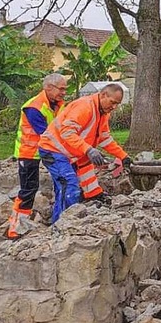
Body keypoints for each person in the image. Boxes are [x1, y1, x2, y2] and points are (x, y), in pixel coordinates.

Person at [38, 83, 132, 223]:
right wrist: (88, 150)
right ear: (103, 95)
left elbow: (104, 139)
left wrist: (123, 156)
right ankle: (62, 225)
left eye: (117, 104)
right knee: (69, 185)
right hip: (53, 149)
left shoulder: (102, 113)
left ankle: (58, 222)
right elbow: (67, 132)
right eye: (113, 102)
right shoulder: (85, 106)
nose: (114, 107)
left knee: (65, 187)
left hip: (70, 153)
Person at [7, 73, 67, 239]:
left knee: (60, 182)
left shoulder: (58, 104)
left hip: (46, 150)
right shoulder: (34, 107)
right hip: (29, 153)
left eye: (65, 89)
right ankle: (15, 228)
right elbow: (47, 134)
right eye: (61, 89)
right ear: (48, 88)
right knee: (28, 189)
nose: (64, 92)